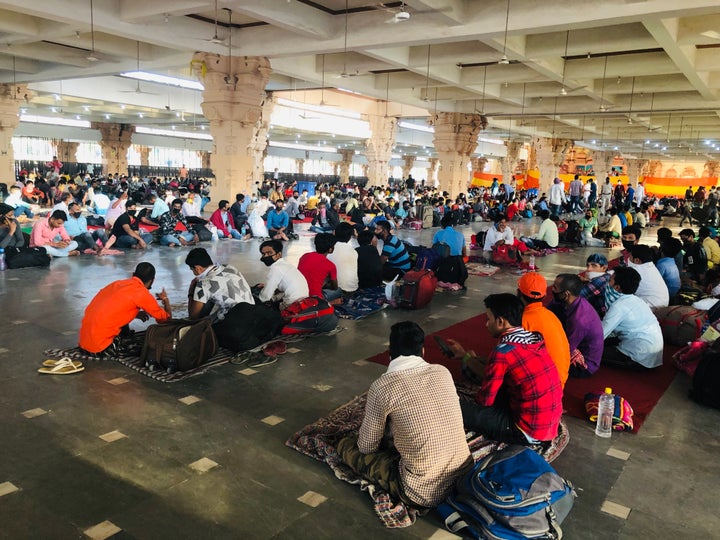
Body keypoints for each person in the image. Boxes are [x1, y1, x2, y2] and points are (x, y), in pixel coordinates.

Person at [337, 321, 473, 508]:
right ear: (423, 351)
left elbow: (367, 446)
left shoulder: (382, 386)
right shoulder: (443, 372)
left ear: (389, 352)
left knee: (346, 446)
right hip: (463, 477)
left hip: (421, 491)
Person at [451, 294, 563, 446]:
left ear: (500, 321)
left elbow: (485, 400)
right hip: (548, 427)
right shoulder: (534, 339)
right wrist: (468, 357)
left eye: (488, 319)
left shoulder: (503, 352)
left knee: (457, 408)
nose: (485, 324)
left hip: (525, 432)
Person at [79, 262, 172, 356]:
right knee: (150, 345)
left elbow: (110, 307)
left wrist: (134, 313)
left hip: (84, 343)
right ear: (152, 280)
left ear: (133, 275)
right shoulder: (141, 293)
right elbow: (166, 320)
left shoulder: (117, 284)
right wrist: (166, 300)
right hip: (100, 349)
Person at [601, 267, 664, 369]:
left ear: (617, 287)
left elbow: (600, 335)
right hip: (651, 353)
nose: (607, 284)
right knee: (608, 341)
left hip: (637, 358)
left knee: (590, 349)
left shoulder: (618, 306)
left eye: (610, 281)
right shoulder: (636, 300)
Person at [516, 272, 571, 387]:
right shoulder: (551, 315)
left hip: (541, 389)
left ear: (518, 293)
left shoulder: (523, 320)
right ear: (544, 296)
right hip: (559, 383)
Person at [550, 274, 604, 377]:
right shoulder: (566, 301)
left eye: (555, 288)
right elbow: (546, 313)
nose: (552, 289)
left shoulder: (580, 319)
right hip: (570, 342)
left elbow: (566, 349)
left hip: (584, 364)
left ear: (566, 294)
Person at [185, 247, 254, 321]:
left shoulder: (203, 283)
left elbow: (193, 316)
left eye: (192, 269)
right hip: (253, 311)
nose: (193, 273)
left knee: (202, 323)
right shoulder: (230, 267)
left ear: (197, 268)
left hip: (237, 321)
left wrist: (191, 292)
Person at [256, 239, 309, 308]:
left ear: (279, 254)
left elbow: (265, 296)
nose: (266, 256)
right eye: (263, 254)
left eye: (269, 253)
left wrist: (257, 299)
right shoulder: (285, 265)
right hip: (303, 301)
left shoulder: (276, 268)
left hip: (292, 306)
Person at [297, 233, 341, 301]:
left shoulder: (304, 256)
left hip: (299, 294)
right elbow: (335, 287)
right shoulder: (330, 265)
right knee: (339, 290)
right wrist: (327, 282)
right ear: (330, 249)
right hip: (316, 298)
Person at [433, 213, 468, 287]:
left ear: (442, 225)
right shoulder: (460, 235)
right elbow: (464, 253)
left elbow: (433, 249)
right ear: (453, 225)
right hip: (457, 265)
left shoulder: (438, 233)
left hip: (442, 265)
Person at [580, 253, 615, 319]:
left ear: (604, 268)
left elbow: (578, 295)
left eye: (594, 266)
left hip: (598, 317)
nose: (589, 269)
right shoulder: (607, 276)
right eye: (588, 265)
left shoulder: (600, 280)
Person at [328, 222, 359, 294]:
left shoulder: (329, 250)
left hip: (336, 290)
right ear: (350, 237)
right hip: (353, 289)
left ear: (334, 233)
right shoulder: (354, 251)